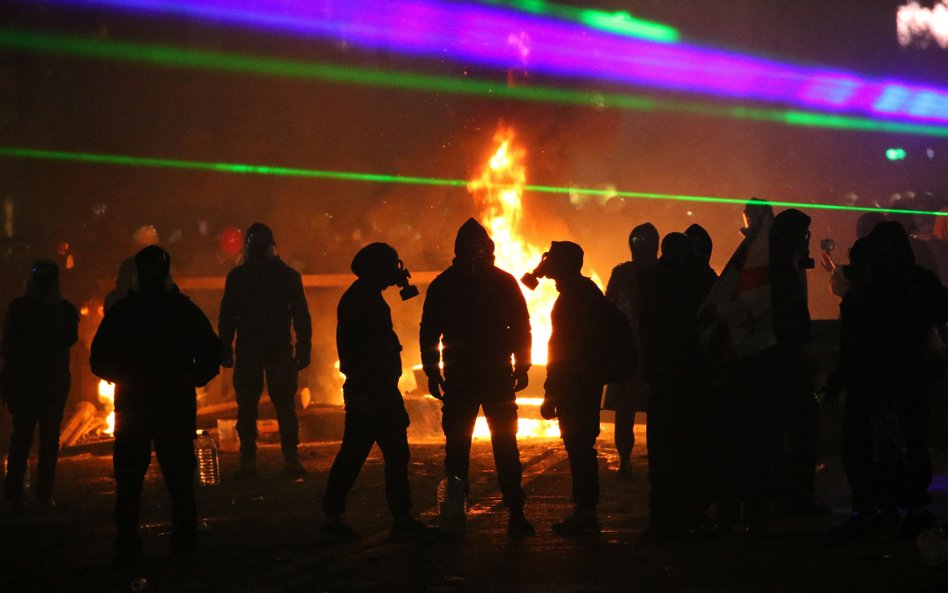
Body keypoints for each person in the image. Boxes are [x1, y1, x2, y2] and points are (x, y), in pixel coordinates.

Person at [90, 246, 220, 569]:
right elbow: (211, 353)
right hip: (166, 408)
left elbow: (99, 360)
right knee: (172, 483)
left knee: (136, 483)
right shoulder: (179, 310)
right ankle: (179, 547)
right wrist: (192, 377)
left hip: (141, 408)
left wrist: (126, 378)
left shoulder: (126, 313)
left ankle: (132, 547)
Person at [420, 218, 535, 538]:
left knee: (457, 449)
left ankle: (455, 516)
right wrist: (522, 366)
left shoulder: (445, 283)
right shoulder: (504, 282)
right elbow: (521, 326)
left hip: (460, 377)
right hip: (495, 375)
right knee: (504, 445)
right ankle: (515, 513)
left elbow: (429, 331)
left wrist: (433, 370)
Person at [322, 243, 428, 538]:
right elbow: (364, 351)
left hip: (374, 389)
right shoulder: (363, 301)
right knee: (368, 454)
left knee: (379, 454)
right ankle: (396, 518)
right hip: (372, 390)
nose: (396, 272)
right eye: (391, 265)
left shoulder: (364, 297)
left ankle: (339, 515)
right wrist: (371, 390)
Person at [219, 223, 312, 478]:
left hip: (253, 348)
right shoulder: (287, 276)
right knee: (282, 405)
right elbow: (300, 314)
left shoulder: (238, 277)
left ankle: (249, 460)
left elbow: (227, 317)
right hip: (275, 347)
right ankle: (289, 459)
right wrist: (304, 345)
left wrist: (225, 346)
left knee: (249, 406)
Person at [639, 233, 717, 537]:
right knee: (688, 449)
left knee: (664, 453)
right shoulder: (697, 283)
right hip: (688, 378)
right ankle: (687, 513)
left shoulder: (651, 282)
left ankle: (663, 517)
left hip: (666, 379)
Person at [534, 241, 613, 536]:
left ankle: (585, 512)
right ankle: (585, 510)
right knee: (581, 447)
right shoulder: (585, 293)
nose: (549, 273)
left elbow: (561, 351)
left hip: (575, 386)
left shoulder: (573, 299)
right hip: (585, 383)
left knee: (579, 448)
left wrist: (550, 393)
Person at [1, 259, 79, 509]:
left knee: (22, 437)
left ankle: (15, 495)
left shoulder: (20, 308)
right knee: (46, 439)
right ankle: (42, 494)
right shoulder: (64, 310)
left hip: (28, 382)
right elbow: (68, 339)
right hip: (49, 383)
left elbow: (8, 346)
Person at [602, 223, 658, 477]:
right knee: (633, 411)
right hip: (635, 352)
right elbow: (609, 309)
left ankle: (630, 460)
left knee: (645, 411)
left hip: (646, 352)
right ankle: (626, 459)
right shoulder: (625, 273)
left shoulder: (628, 273)